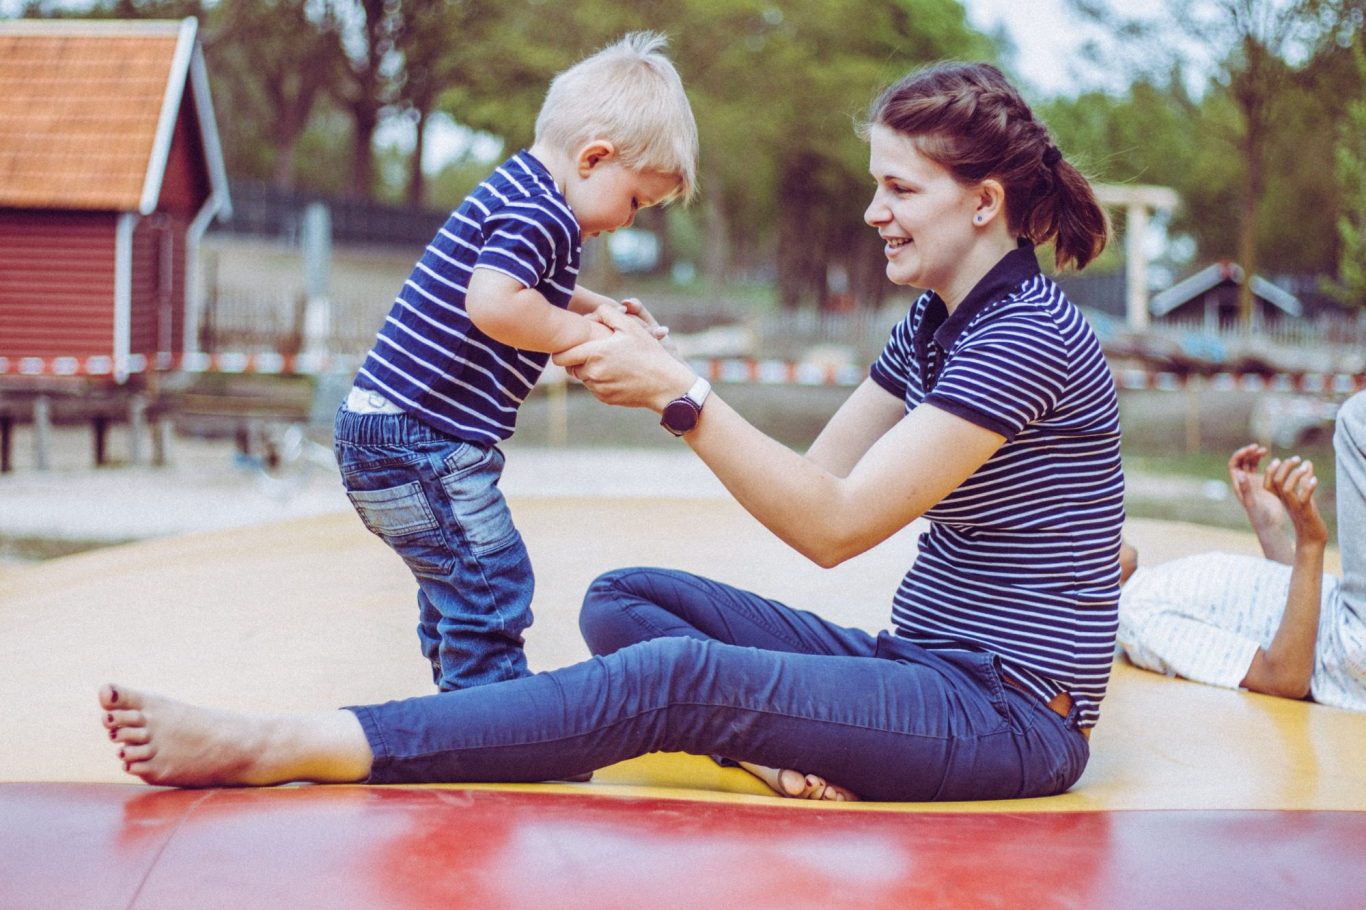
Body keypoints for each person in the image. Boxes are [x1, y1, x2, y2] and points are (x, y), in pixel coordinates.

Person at [101, 62, 1121, 802]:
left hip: (1009, 715)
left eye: (899, 188)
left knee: (672, 678)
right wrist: (666, 380)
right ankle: (765, 742)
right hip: (921, 666)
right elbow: (811, 476)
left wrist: (682, 398)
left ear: (984, 203)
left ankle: (292, 744)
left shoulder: (1025, 335)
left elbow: (834, 525)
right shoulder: (937, 323)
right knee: (626, 601)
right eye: (874, 183)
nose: (872, 212)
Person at [333, 32, 696, 691]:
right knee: (492, 586)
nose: (628, 221)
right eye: (635, 201)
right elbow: (496, 302)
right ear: (594, 158)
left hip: (385, 433)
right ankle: (497, 721)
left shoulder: (520, 191)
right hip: (422, 440)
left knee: (458, 591)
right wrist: (583, 338)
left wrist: (599, 309)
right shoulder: (542, 213)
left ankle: (462, 710)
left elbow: (532, 286)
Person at [1117, 392, 1364, 711]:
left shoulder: (1150, 588)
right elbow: (1284, 678)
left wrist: (1269, 528)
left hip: (1345, 629)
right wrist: (1309, 542)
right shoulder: (1139, 616)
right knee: (1357, 421)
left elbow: (1297, 619)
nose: (1101, 521)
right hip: (1351, 646)